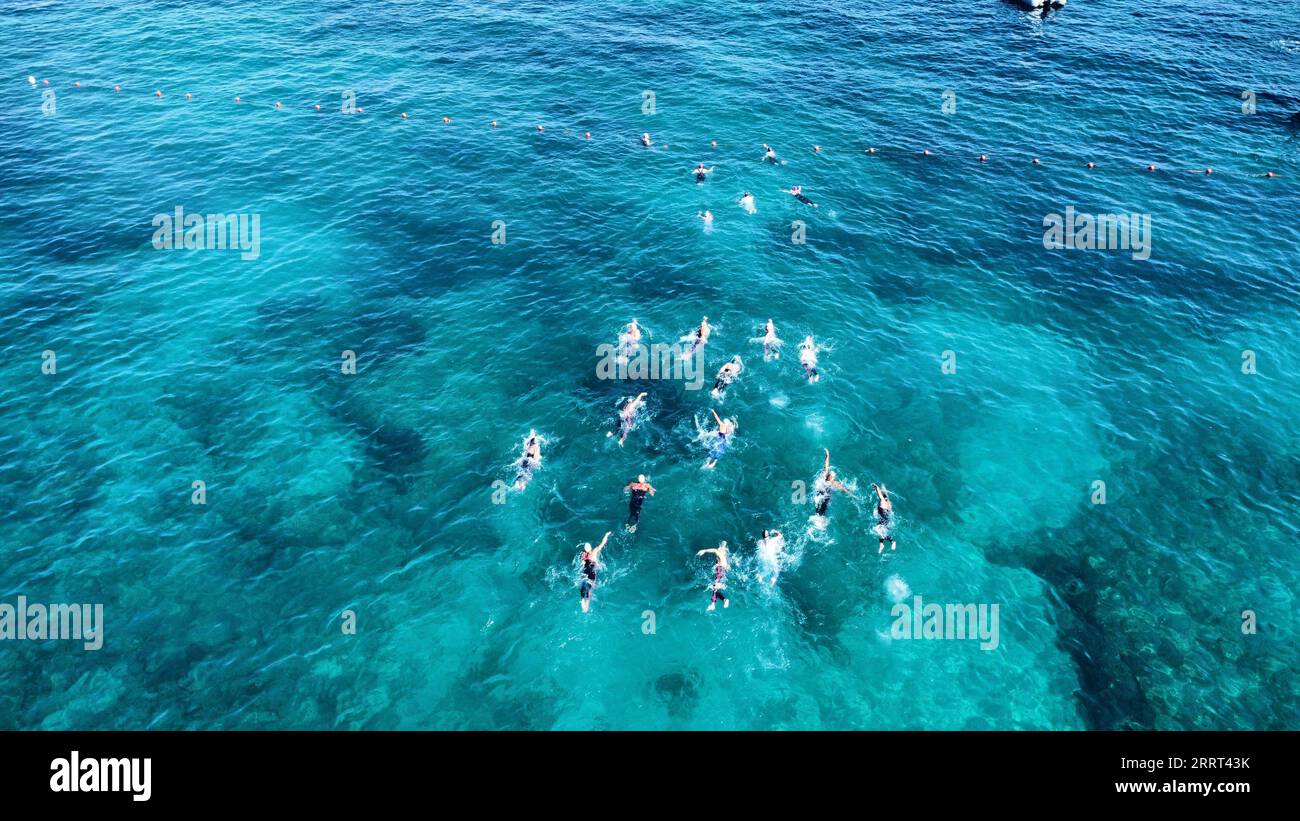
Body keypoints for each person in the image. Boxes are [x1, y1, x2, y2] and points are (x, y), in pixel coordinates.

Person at [812, 447, 853, 515]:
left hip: (826, 495)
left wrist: (851, 495)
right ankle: (818, 515)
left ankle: (820, 517)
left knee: (823, 507)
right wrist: (827, 455)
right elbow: (826, 465)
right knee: (818, 505)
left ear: (833, 478)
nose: (830, 476)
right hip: (821, 492)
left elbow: (844, 489)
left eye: (832, 476)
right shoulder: (824, 476)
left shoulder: (834, 483)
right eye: (830, 475)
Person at [578, 532, 612, 613]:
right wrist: (606, 535)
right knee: (590, 590)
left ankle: (583, 604)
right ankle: (586, 608)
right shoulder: (594, 552)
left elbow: (582, 563)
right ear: (590, 548)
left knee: (582, 590)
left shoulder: (583, 555)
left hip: (584, 573)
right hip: (591, 573)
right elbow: (602, 544)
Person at [696, 542, 730, 611]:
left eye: (720, 548)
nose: (718, 549)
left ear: (722, 551)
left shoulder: (720, 555)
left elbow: (715, 550)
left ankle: (713, 604)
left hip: (720, 572)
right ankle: (723, 600)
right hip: (722, 573)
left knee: (714, 587)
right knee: (715, 589)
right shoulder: (724, 559)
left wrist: (704, 551)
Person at [872, 484, 897, 553]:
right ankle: (881, 544)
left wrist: (877, 487)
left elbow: (880, 495)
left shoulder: (882, 500)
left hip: (884, 517)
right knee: (881, 530)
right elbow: (887, 497)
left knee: (879, 530)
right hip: (886, 517)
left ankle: (892, 542)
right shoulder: (889, 503)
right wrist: (884, 489)